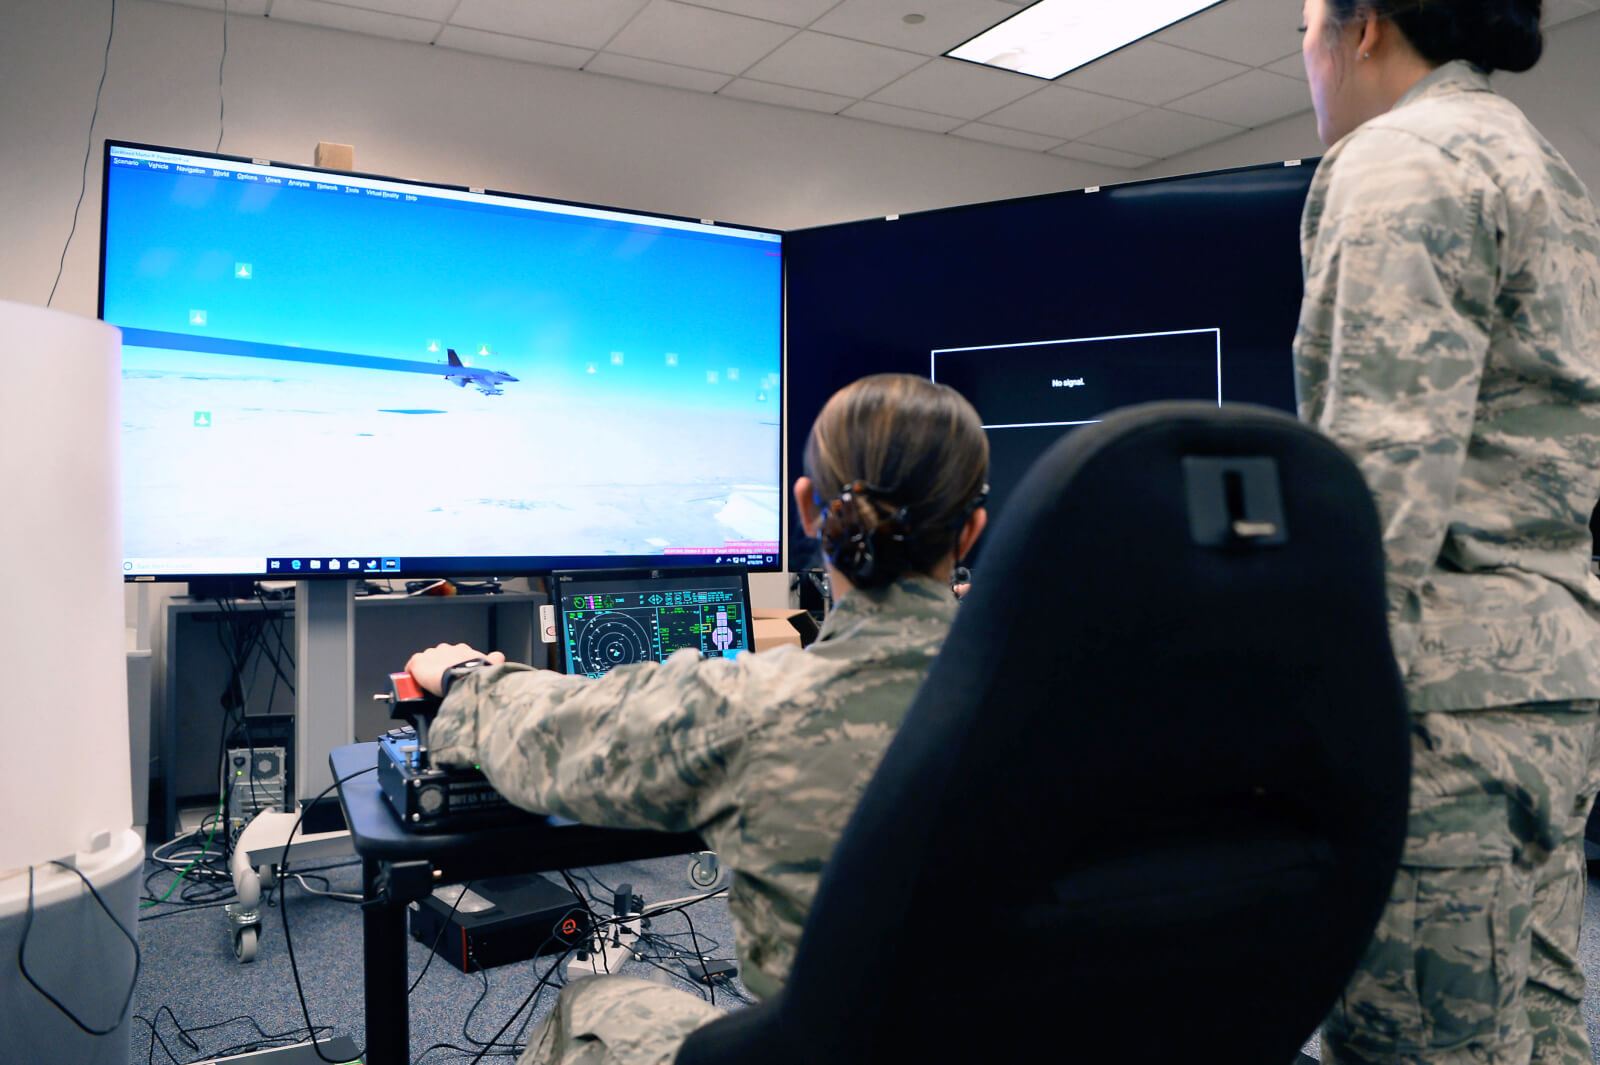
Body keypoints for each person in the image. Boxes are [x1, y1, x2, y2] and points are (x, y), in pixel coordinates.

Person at [404, 372, 988, 1065]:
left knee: (591, 1009)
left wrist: (466, 679)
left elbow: (557, 732)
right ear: (973, 528)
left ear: (807, 509)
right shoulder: (1080, 705)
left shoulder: (751, 708)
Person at [1293, 1, 1600, 1062]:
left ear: (1360, 25)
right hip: (1547, 696)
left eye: (1303, 24)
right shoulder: (1541, 166)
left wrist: (1302, 737)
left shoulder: (1399, 164)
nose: (1305, 56)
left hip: (1439, 721)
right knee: (1541, 1032)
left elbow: (1378, 485)